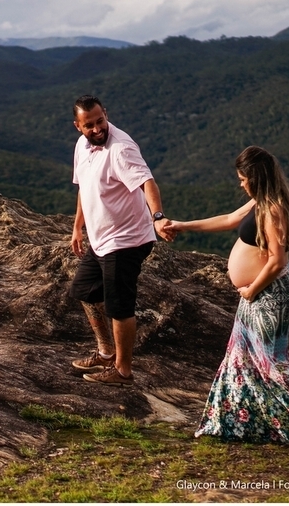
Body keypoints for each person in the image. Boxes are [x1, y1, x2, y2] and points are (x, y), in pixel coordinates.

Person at [165, 146, 289, 448]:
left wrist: (252, 289)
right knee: (240, 358)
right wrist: (182, 225)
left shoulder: (273, 208)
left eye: (244, 179)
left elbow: (277, 261)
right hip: (257, 293)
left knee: (271, 364)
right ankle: (235, 425)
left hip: (270, 294)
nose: (241, 184)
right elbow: (229, 219)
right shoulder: (260, 201)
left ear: (256, 178)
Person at [67, 95, 173, 386]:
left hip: (128, 240)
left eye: (101, 121)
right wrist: (78, 228)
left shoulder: (121, 148)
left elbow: (146, 182)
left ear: (106, 115)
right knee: (85, 291)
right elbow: (84, 189)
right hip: (101, 239)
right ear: (78, 126)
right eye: (89, 125)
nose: (98, 128)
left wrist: (159, 216)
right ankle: (105, 352)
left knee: (119, 306)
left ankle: (122, 370)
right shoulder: (82, 146)